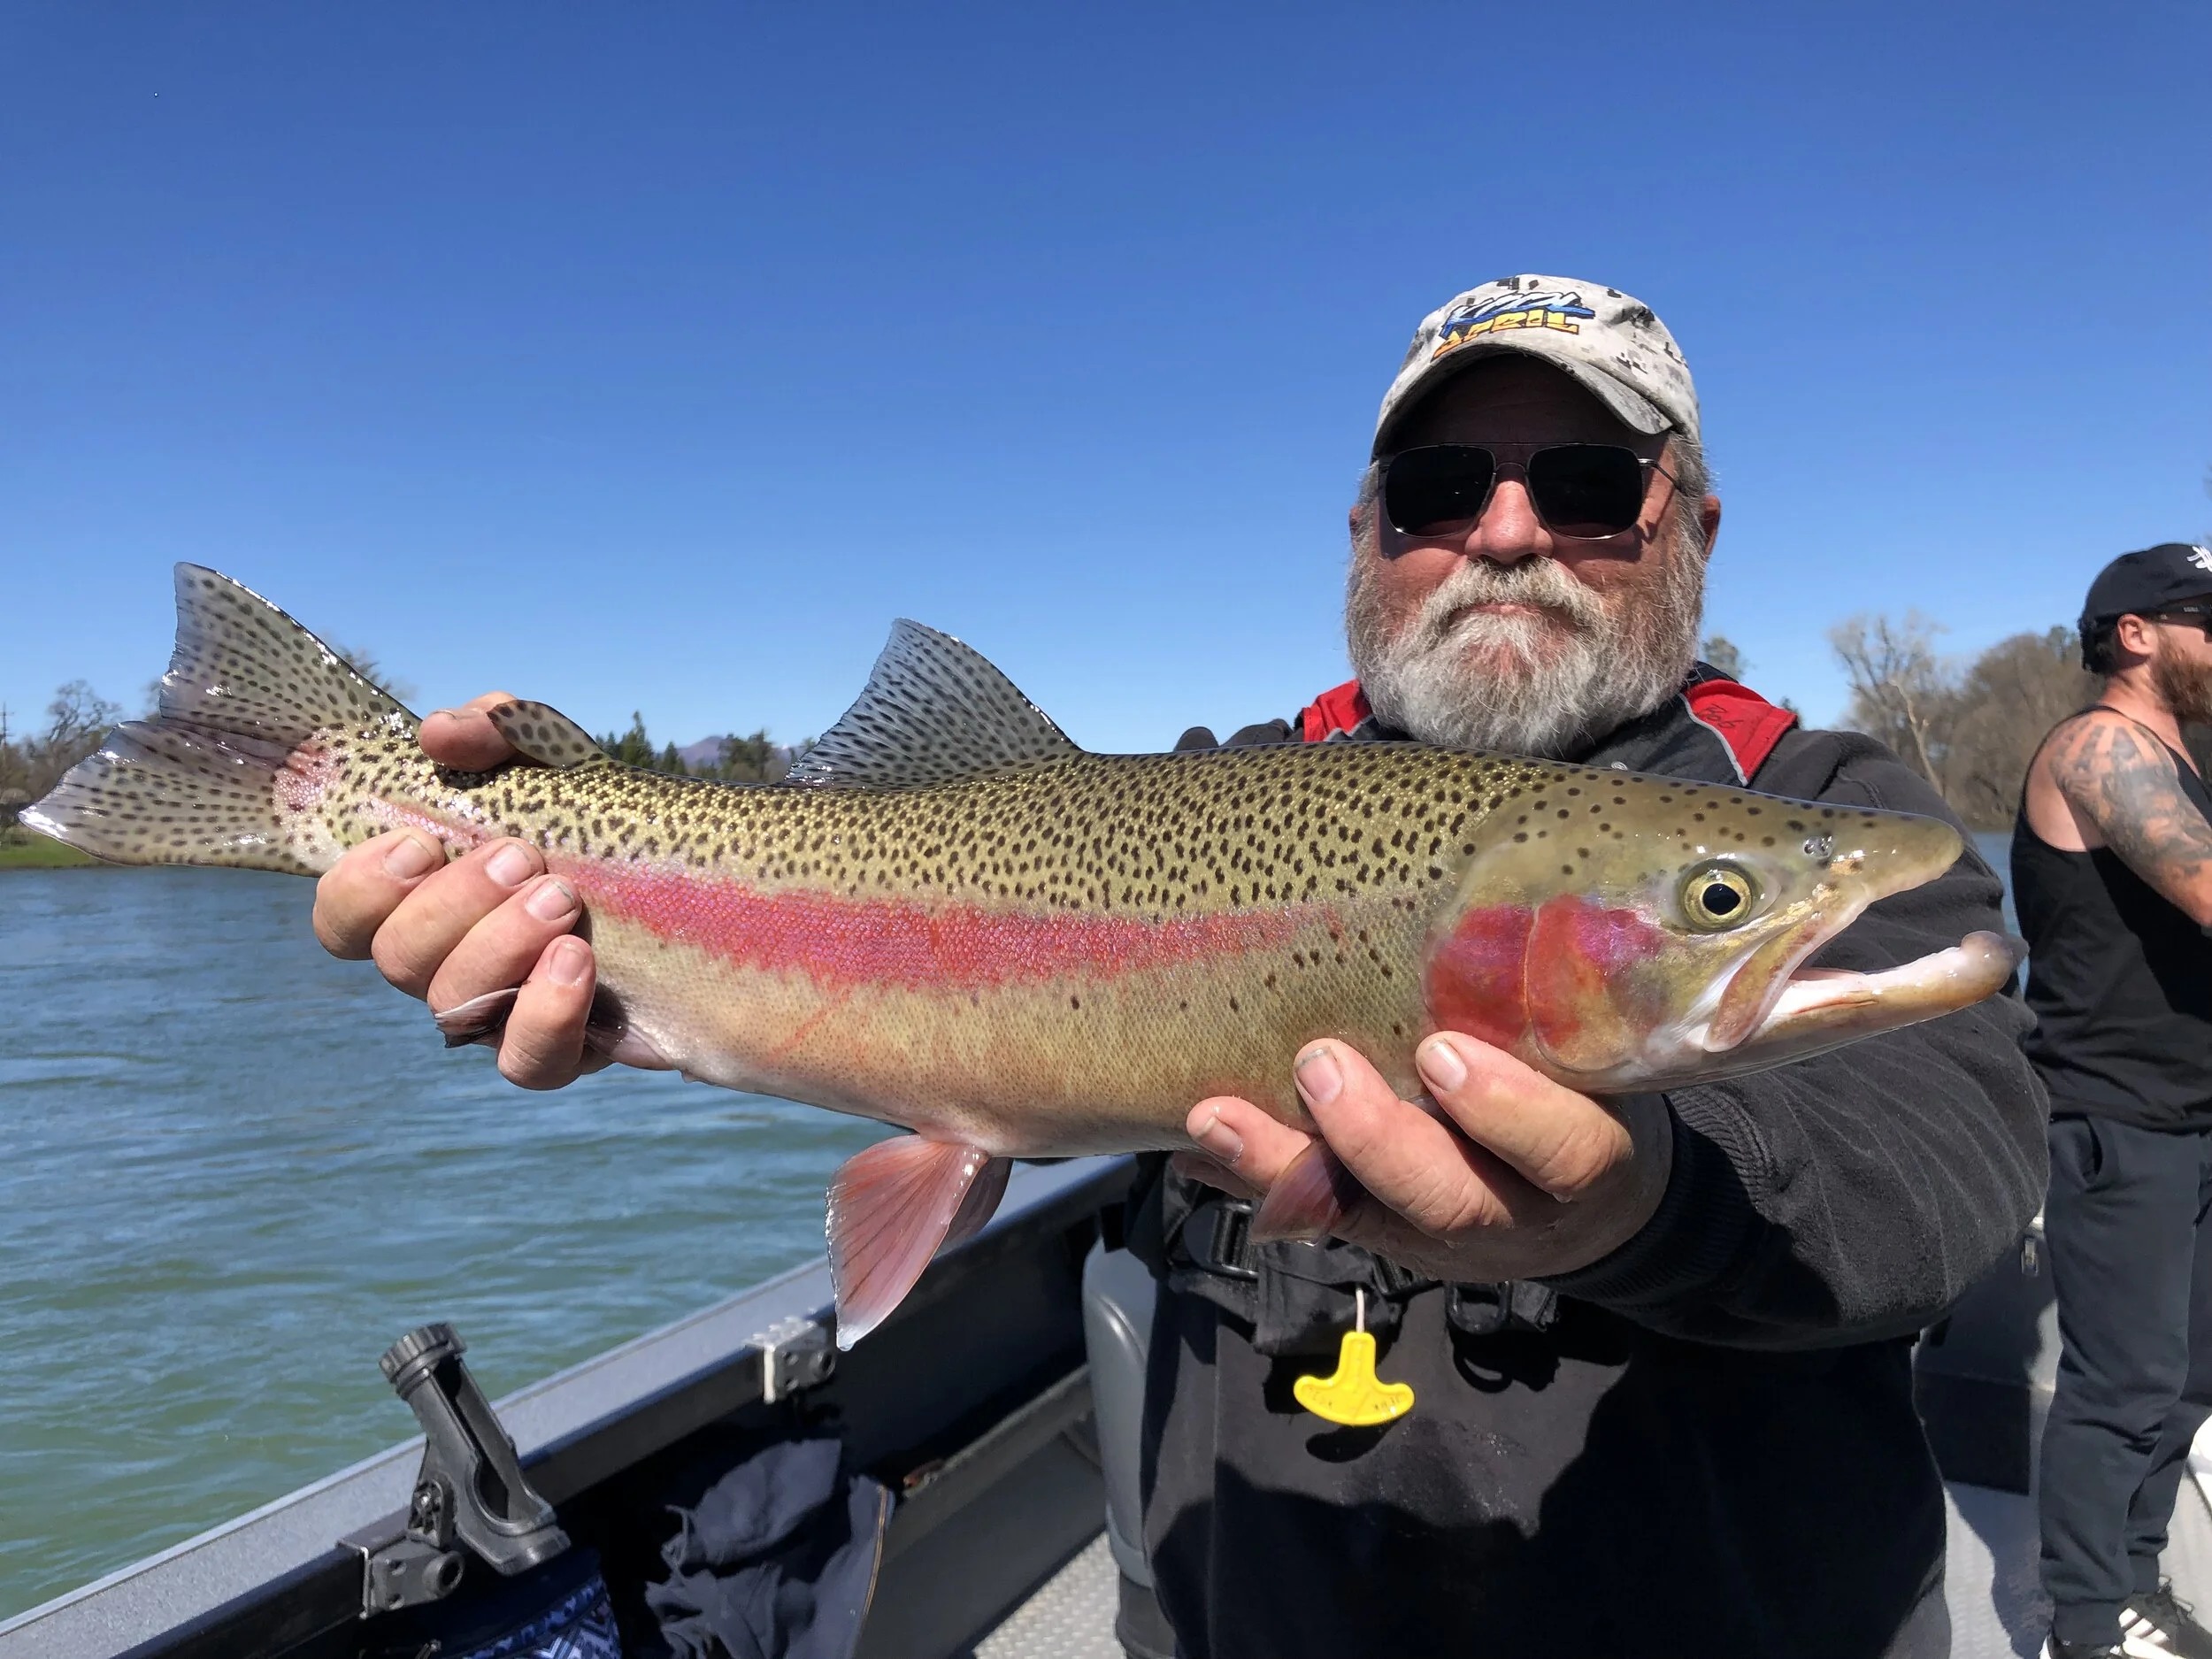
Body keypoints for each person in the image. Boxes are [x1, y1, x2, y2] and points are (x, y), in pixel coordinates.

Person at [309, 276, 2047, 1657]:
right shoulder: (1204, 784)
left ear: (1690, 534)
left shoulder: (1815, 811)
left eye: (1587, 486)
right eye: (1442, 488)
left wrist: (1634, 1204)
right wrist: (596, 981)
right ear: (1367, 535)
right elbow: (863, 952)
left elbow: (1955, 1147)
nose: (1505, 530)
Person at [2016, 544, 2212, 1659]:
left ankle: (2136, 1583)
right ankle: (2084, 1623)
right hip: (2115, 1115)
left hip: (2194, 1111)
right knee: (2124, 1380)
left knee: (2188, 1375)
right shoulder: (2097, 748)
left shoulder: (2191, 751)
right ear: (2135, 633)